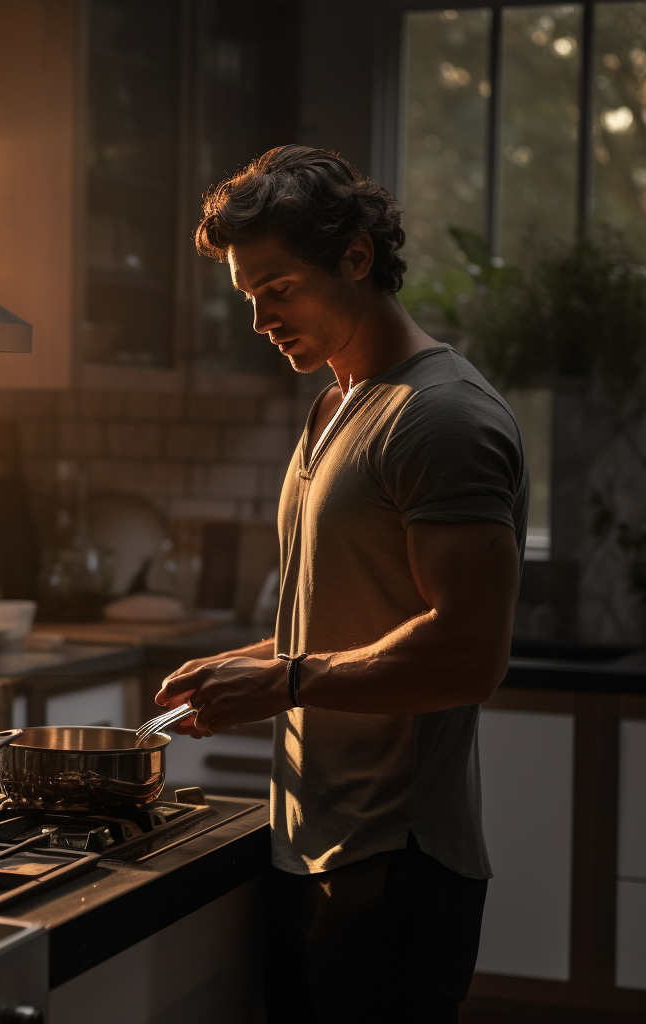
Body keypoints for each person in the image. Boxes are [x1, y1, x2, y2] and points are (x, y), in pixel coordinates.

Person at [155, 146, 528, 1023]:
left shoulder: (442, 417)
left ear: (356, 256)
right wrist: (243, 666)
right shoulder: (337, 402)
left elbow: (471, 653)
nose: (259, 318)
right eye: (249, 296)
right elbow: (341, 615)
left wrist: (281, 681)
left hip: (395, 865)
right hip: (308, 845)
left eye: (277, 289)